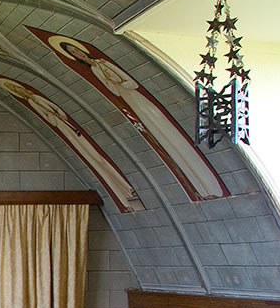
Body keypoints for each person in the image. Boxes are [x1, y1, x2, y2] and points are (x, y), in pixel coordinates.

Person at [52, 36, 226, 200]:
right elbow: (110, 88)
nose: (78, 53)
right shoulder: (95, 69)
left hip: (135, 97)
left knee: (166, 133)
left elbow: (128, 81)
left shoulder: (102, 62)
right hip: (127, 99)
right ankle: (199, 187)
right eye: (74, 53)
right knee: (160, 140)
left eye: (77, 50)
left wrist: (120, 85)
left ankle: (208, 185)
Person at [0, 78, 143, 212]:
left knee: (97, 158)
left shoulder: (37, 98)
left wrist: (56, 115)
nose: (18, 91)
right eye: (15, 91)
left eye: (17, 89)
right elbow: (53, 122)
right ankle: (125, 198)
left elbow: (58, 113)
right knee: (92, 160)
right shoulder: (32, 103)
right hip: (65, 130)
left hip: (72, 131)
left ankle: (128, 190)